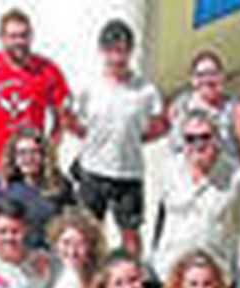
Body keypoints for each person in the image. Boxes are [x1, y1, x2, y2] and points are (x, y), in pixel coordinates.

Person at [66, 19, 167, 257]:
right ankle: (91, 278)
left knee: (130, 233)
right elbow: (69, 118)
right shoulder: (88, 85)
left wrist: (136, 139)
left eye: (122, 50)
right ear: (102, 51)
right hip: (92, 171)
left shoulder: (146, 90)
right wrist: (88, 137)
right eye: (111, 50)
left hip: (129, 173)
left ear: (130, 51)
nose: (117, 57)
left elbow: (160, 125)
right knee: (89, 232)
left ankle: (132, 275)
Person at [148, 109, 240, 283]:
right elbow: (160, 216)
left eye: (205, 137)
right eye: (190, 138)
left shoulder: (238, 177)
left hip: (214, 276)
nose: (198, 144)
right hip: (170, 271)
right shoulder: (168, 170)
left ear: (217, 139)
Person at [0, 9, 70, 167]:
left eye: (24, 35)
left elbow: (61, 120)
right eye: (13, 36)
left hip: (29, 165)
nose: (19, 41)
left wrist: (48, 153)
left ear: (31, 37)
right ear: (2, 38)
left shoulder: (49, 71)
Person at [168, 50, 240, 166]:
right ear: (192, 80)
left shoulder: (238, 113)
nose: (207, 80)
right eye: (200, 75)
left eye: (212, 74)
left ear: (222, 77)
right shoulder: (178, 106)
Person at [0, 129, 74, 246]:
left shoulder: (60, 185)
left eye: (34, 152)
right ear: (14, 157)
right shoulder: (2, 185)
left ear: (44, 156)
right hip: (13, 251)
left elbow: (71, 223)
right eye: (22, 153)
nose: (28, 158)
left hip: (49, 253)